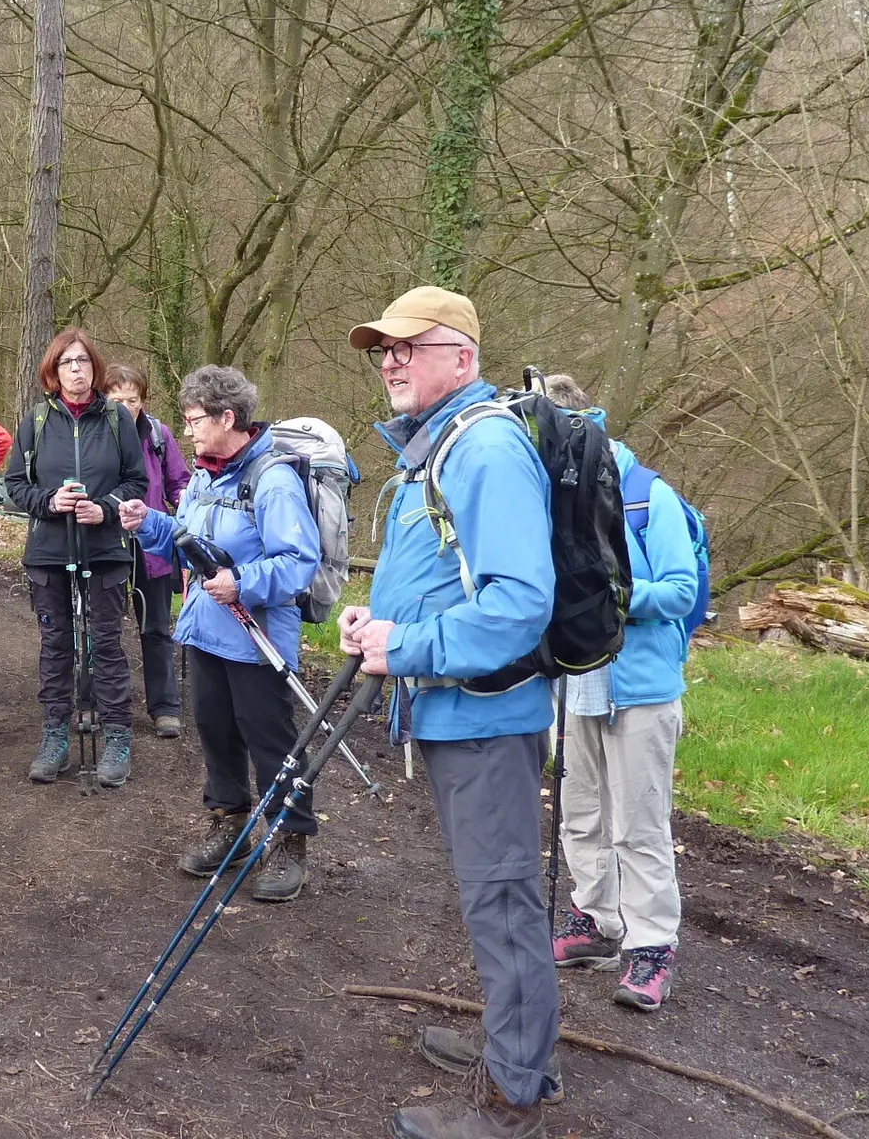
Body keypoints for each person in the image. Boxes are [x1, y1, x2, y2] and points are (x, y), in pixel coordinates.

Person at [339, 286, 560, 1139]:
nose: (389, 360)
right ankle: (518, 1046)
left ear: (461, 358)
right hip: (453, 710)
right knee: (491, 896)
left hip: (484, 718)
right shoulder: (438, 448)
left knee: (501, 899)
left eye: (408, 346)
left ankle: (513, 1097)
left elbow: (517, 606)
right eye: (382, 350)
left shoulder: (486, 449)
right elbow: (439, 574)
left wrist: (413, 647)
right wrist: (376, 618)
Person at [118, 365, 320, 900]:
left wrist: (243, 583)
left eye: (194, 420)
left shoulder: (273, 479)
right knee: (215, 731)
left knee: (269, 739)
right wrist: (148, 523)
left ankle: (288, 839)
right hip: (205, 631)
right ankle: (228, 825)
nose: (187, 431)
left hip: (256, 640)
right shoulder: (205, 475)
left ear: (228, 417)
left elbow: (298, 563)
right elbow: (186, 542)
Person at [539, 374, 697, 1012]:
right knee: (580, 813)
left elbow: (682, 590)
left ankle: (652, 944)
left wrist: (609, 602)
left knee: (638, 823)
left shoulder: (644, 495)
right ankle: (596, 920)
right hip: (577, 682)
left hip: (643, 689)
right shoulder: (549, 498)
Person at [5, 327, 148, 788]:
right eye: (67, 362)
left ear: (95, 368)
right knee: (55, 646)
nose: (76, 370)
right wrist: (51, 502)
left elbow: (136, 482)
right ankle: (54, 736)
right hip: (49, 551)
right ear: (53, 370)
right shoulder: (36, 420)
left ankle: (117, 738)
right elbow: (15, 485)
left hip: (105, 549)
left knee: (106, 644)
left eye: (83, 361)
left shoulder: (116, 420)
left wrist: (103, 508)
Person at [103, 362, 189, 737]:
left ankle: (165, 706)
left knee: (155, 627)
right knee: (100, 627)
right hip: (104, 543)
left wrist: (187, 504)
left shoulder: (158, 434)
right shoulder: (90, 434)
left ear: (144, 400)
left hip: (152, 546)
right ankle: (96, 702)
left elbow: (178, 483)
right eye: (116, 399)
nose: (124, 407)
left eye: (132, 399)